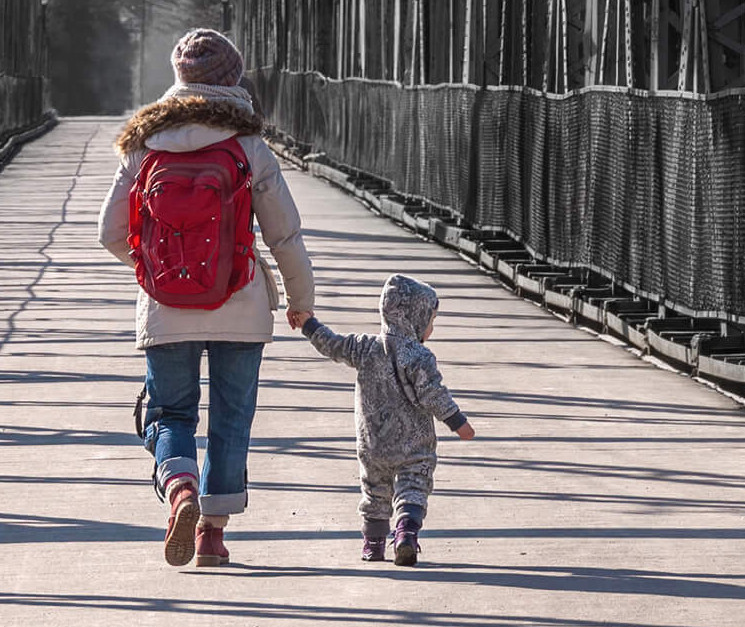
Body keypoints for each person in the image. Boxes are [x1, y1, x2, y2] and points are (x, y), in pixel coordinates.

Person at [98, 28, 315, 568]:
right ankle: (212, 537)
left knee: (170, 412)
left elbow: (108, 231)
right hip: (239, 302)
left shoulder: (144, 142)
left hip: (166, 306)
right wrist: (298, 298)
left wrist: (153, 267)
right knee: (231, 415)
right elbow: (284, 234)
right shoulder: (248, 146)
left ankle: (179, 490)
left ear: (179, 79)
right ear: (232, 79)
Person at [294, 274, 475, 566]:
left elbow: (333, 345)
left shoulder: (365, 347)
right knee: (413, 486)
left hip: (373, 442)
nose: (431, 328)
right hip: (413, 445)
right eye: (430, 321)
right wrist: (458, 423)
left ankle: (373, 544)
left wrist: (309, 324)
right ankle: (405, 532)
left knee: (374, 492)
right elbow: (433, 394)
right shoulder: (418, 356)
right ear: (414, 318)